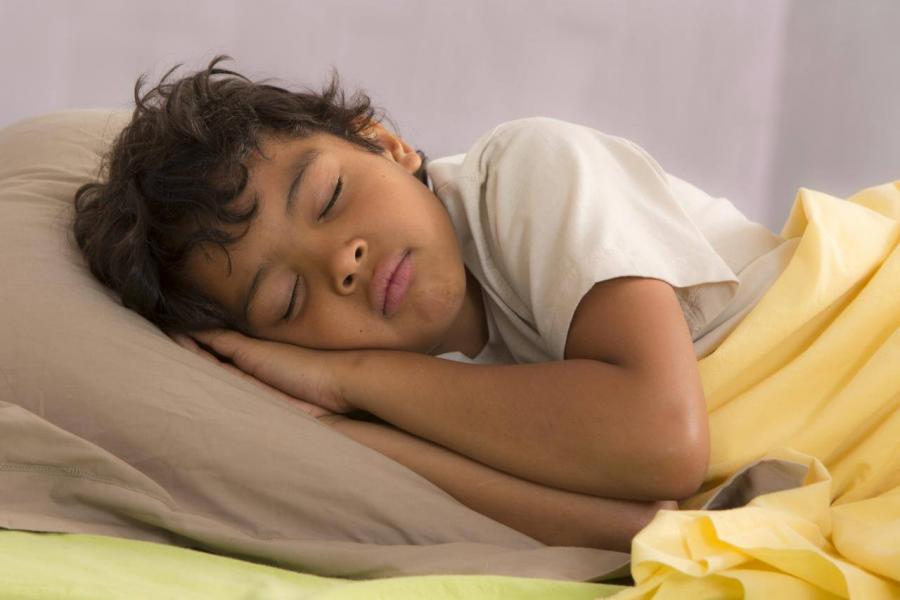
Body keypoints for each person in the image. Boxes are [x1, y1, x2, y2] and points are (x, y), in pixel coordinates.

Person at [71, 55, 794, 553]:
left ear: (385, 143)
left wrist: (349, 380)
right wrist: (343, 430)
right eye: (289, 299)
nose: (341, 263)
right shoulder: (418, 388)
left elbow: (661, 443)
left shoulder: (526, 172)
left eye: (329, 198)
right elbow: (641, 527)